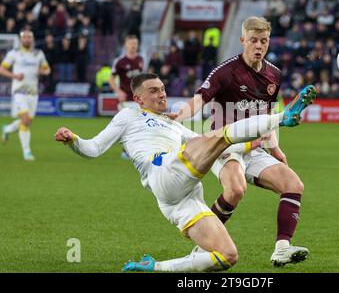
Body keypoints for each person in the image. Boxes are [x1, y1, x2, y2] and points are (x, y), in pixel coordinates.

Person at [53, 73, 317, 272]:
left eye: (163, 89)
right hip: (163, 172)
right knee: (219, 137)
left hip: (180, 200)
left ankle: (154, 267)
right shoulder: (128, 115)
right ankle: (282, 117)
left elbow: (206, 142)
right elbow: (94, 148)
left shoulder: (173, 125)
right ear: (138, 99)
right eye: (153, 91)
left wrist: (252, 144)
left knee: (227, 256)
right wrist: (72, 139)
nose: (161, 94)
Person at [171, 16, 311, 266]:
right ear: (243, 40)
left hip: (255, 147)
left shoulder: (274, 75)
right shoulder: (225, 71)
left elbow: (267, 115)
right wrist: (178, 116)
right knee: (235, 190)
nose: (259, 46)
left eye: (264, 41)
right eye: (254, 40)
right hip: (224, 146)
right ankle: (202, 248)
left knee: (293, 184)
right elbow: (199, 100)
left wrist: (275, 148)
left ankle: (281, 249)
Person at [0, 29, 51, 161]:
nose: (27, 39)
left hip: (33, 93)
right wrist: (14, 75)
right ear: (21, 39)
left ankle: (7, 129)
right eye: (25, 37)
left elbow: (47, 69)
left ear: (32, 39)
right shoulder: (14, 53)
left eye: (29, 37)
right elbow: (2, 69)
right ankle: (27, 152)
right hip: (19, 92)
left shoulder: (38, 54)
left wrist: (42, 71)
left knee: (26, 121)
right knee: (26, 122)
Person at [108, 34, 144, 159]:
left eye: (135, 44)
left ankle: (135, 149)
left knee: (140, 125)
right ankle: (126, 150)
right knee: (127, 125)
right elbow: (111, 79)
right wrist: (118, 91)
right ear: (125, 45)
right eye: (131, 44)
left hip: (138, 98)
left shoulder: (140, 59)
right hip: (125, 99)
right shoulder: (120, 61)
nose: (133, 46)